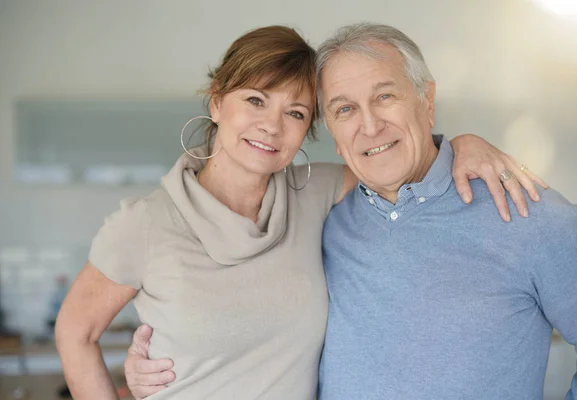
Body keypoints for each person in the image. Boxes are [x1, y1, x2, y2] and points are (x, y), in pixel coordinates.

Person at [56, 25, 544, 400]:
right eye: (255, 100)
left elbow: (405, 163)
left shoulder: (317, 192)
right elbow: (75, 332)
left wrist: (465, 144)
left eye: (295, 113)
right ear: (216, 103)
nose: (272, 126)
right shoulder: (145, 224)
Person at [312, 23, 577, 399]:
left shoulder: (530, 215)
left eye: (384, 97)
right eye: (345, 109)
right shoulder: (326, 223)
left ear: (427, 101)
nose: (369, 125)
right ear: (333, 132)